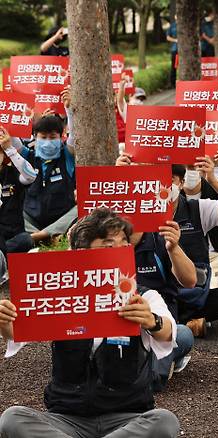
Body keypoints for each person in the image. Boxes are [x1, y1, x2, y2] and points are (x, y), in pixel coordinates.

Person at [0, 209, 180, 437]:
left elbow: (169, 333)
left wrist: (151, 321)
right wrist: (4, 319)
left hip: (127, 419)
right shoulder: (58, 293)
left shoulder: (142, 297)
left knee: (164, 421)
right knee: (12, 418)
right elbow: (15, 333)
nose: (119, 250)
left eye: (124, 243)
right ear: (80, 252)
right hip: (66, 419)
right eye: (108, 244)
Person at [170, 159, 218, 337]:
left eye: (171, 179)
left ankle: (174, 323)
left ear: (181, 183)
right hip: (157, 289)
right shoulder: (137, 213)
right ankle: (184, 324)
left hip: (189, 290)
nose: (163, 185)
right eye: (156, 179)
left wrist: (212, 179)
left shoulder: (196, 209)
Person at [20, 111, 78, 246]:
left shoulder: (67, 157)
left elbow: (74, 137)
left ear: (61, 137)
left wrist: (69, 110)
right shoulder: (27, 157)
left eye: (52, 137)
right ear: (35, 137)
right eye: (43, 137)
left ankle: (41, 236)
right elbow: (11, 141)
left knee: (81, 209)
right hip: (31, 219)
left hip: (62, 217)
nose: (47, 142)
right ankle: (45, 236)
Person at [0, 127, 37, 256]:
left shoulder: (11, 173)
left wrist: (10, 149)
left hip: (14, 237)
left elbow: (31, 176)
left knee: (25, 240)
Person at [166, 15, 178, 88]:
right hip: (175, 49)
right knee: (174, 66)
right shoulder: (172, 26)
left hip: (184, 51)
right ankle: (172, 83)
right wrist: (175, 40)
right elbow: (168, 37)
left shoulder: (185, 25)